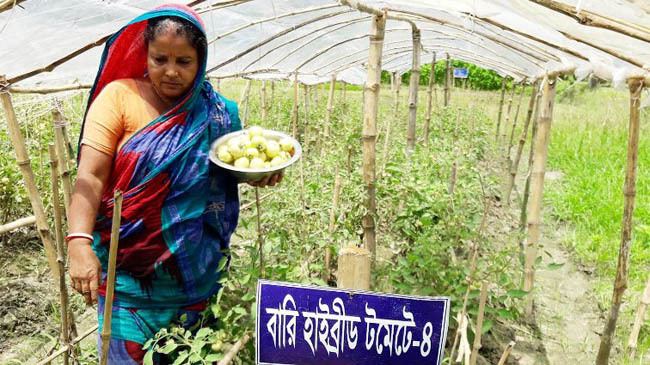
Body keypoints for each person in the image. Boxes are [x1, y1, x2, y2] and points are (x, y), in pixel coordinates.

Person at [66, 4, 281, 363]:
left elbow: (219, 174)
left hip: (195, 276)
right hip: (128, 284)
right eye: (159, 58)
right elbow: (91, 176)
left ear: (201, 62)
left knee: (191, 355)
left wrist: (258, 174)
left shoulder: (217, 113)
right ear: (143, 54)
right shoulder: (119, 97)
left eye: (184, 62)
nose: (170, 72)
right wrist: (78, 242)